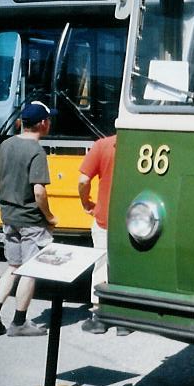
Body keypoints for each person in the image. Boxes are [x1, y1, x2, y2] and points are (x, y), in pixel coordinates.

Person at [0, 101, 58, 337]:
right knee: (30, 270)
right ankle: (19, 322)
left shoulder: (6, 145)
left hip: (8, 216)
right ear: (43, 124)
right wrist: (50, 217)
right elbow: (38, 191)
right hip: (30, 219)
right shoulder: (36, 151)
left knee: (12, 267)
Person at [78, 134, 127, 335]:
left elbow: (83, 180)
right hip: (133, 220)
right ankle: (124, 320)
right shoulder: (141, 144)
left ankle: (99, 317)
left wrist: (86, 202)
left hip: (104, 217)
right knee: (125, 266)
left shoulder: (102, 145)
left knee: (101, 265)